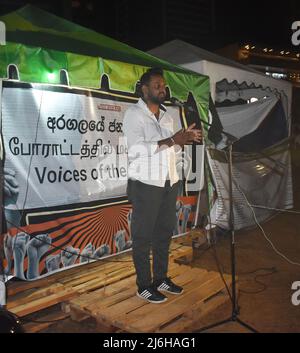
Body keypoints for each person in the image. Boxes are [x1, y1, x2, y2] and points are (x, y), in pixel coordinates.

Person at [123, 67, 201, 303]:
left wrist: (183, 142)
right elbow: (136, 149)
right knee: (143, 236)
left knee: (163, 234)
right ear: (144, 89)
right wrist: (173, 139)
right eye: (157, 85)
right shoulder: (133, 115)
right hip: (146, 183)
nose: (162, 89)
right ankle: (143, 285)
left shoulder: (168, 115)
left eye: (164, 85)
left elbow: (171, 148)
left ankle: (160, 278)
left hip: (169, 181)